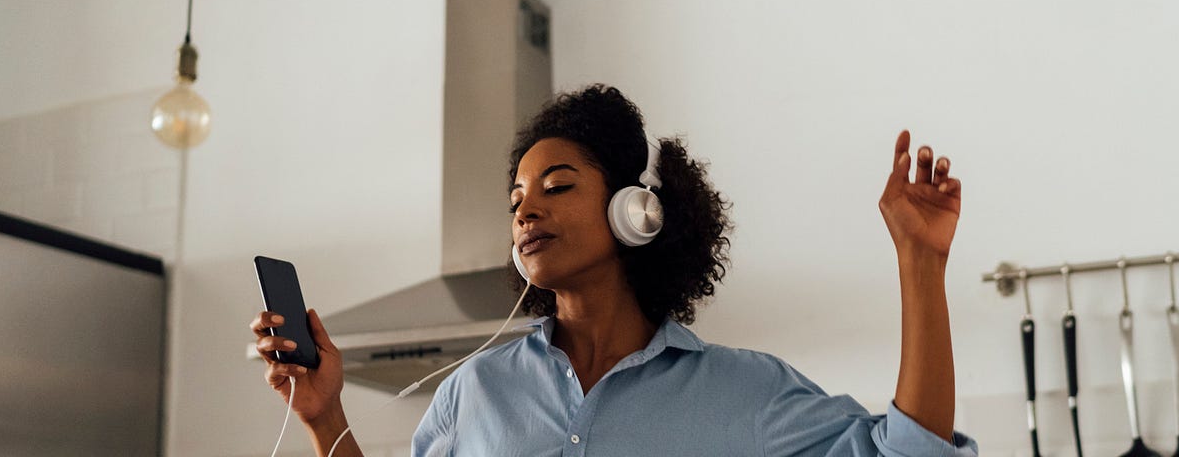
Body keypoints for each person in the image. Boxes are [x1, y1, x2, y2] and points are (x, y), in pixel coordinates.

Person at [251, 85, 977, 456]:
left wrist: (920, 263)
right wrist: (325, 417)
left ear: (640, 212)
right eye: (515, 201)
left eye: (557, 186)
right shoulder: (474, 394)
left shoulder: (747, 395)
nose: (526, 213)